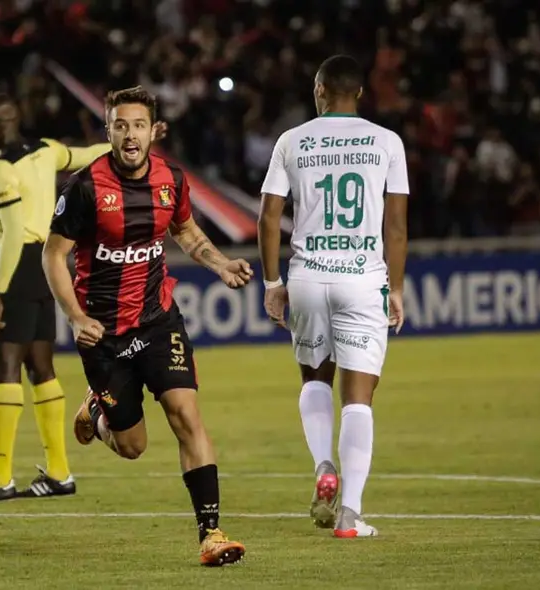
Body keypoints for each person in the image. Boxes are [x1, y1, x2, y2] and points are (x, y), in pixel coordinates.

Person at [43, 86, 253, 566]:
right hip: (104, 335)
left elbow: (185, 230)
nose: (130, 134)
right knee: (133, 446)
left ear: (154, 130)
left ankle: (211, 533)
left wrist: (219, 264)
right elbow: (52, 254)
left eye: (139, 125)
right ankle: (97, 412)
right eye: (120, 125)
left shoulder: (171, 180)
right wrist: (76, 317)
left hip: (158, 320)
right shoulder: (85, 187)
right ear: (108, 131)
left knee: (187, 415)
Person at [257, 55, 409, 538]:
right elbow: (397, 225)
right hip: (362, 277)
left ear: (319, 89)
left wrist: (271, 282)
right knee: (359, 398)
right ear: (360, 93)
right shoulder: (387, 142)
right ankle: (351, 514)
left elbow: (267, 218)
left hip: (307, 276)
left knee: (314, 377)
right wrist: (398, 288)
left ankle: (324, 463)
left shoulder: (292, 141)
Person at [0, 94, 117, 503]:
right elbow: (88, 155)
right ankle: (59, 473)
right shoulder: (46, 151)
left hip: (23, 263)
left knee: (5, 369)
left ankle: (0, 477)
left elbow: (10, 238)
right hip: (50, 263)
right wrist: (125, 144)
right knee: (42, 367)